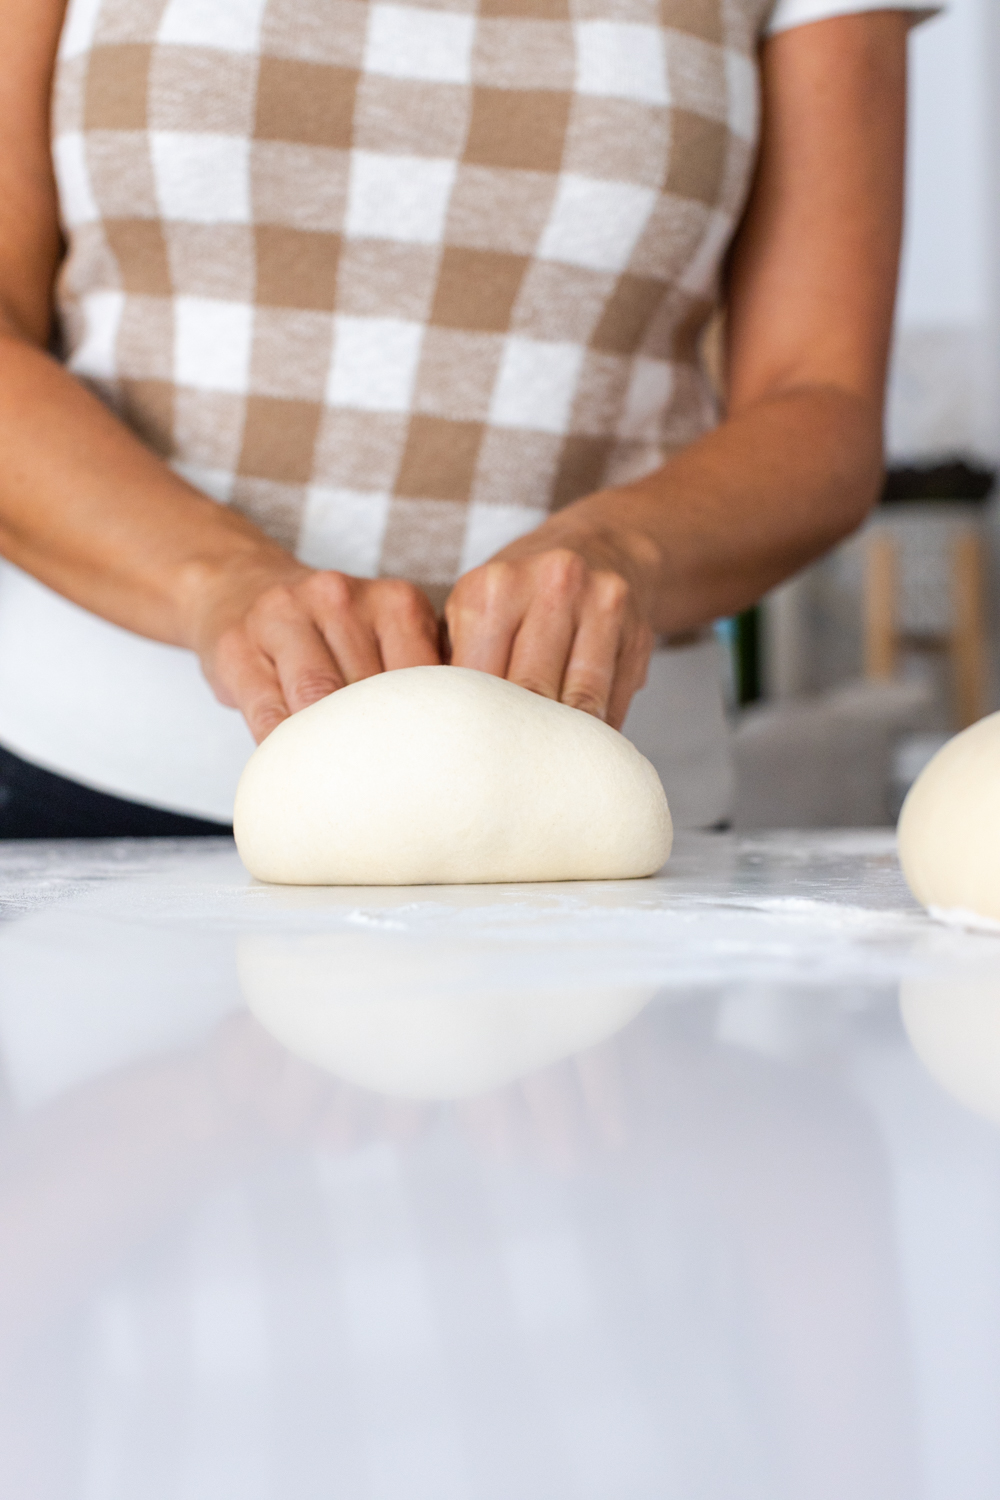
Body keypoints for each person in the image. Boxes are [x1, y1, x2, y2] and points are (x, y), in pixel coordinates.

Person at [0, 0, 927, 838]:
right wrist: (216, 582)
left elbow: (823, 402)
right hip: (95, 777)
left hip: (583, 804)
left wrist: (626, 549)